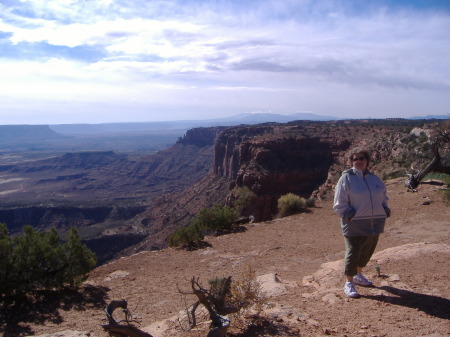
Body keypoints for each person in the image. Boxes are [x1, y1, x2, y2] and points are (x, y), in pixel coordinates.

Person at [333, 148, 390, 298]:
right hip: (354, 223)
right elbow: (339, 202)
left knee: (366, 251)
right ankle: (349, 283)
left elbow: (383, 195)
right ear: (351, 162)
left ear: (367, 161)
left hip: (374, 222)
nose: (358, 161)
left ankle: (359, 275)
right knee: (353, 252)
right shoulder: (346, 178)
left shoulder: (374, 179)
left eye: (361, 158)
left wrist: (384, 209)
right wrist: (348, 215)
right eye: (355, 159)